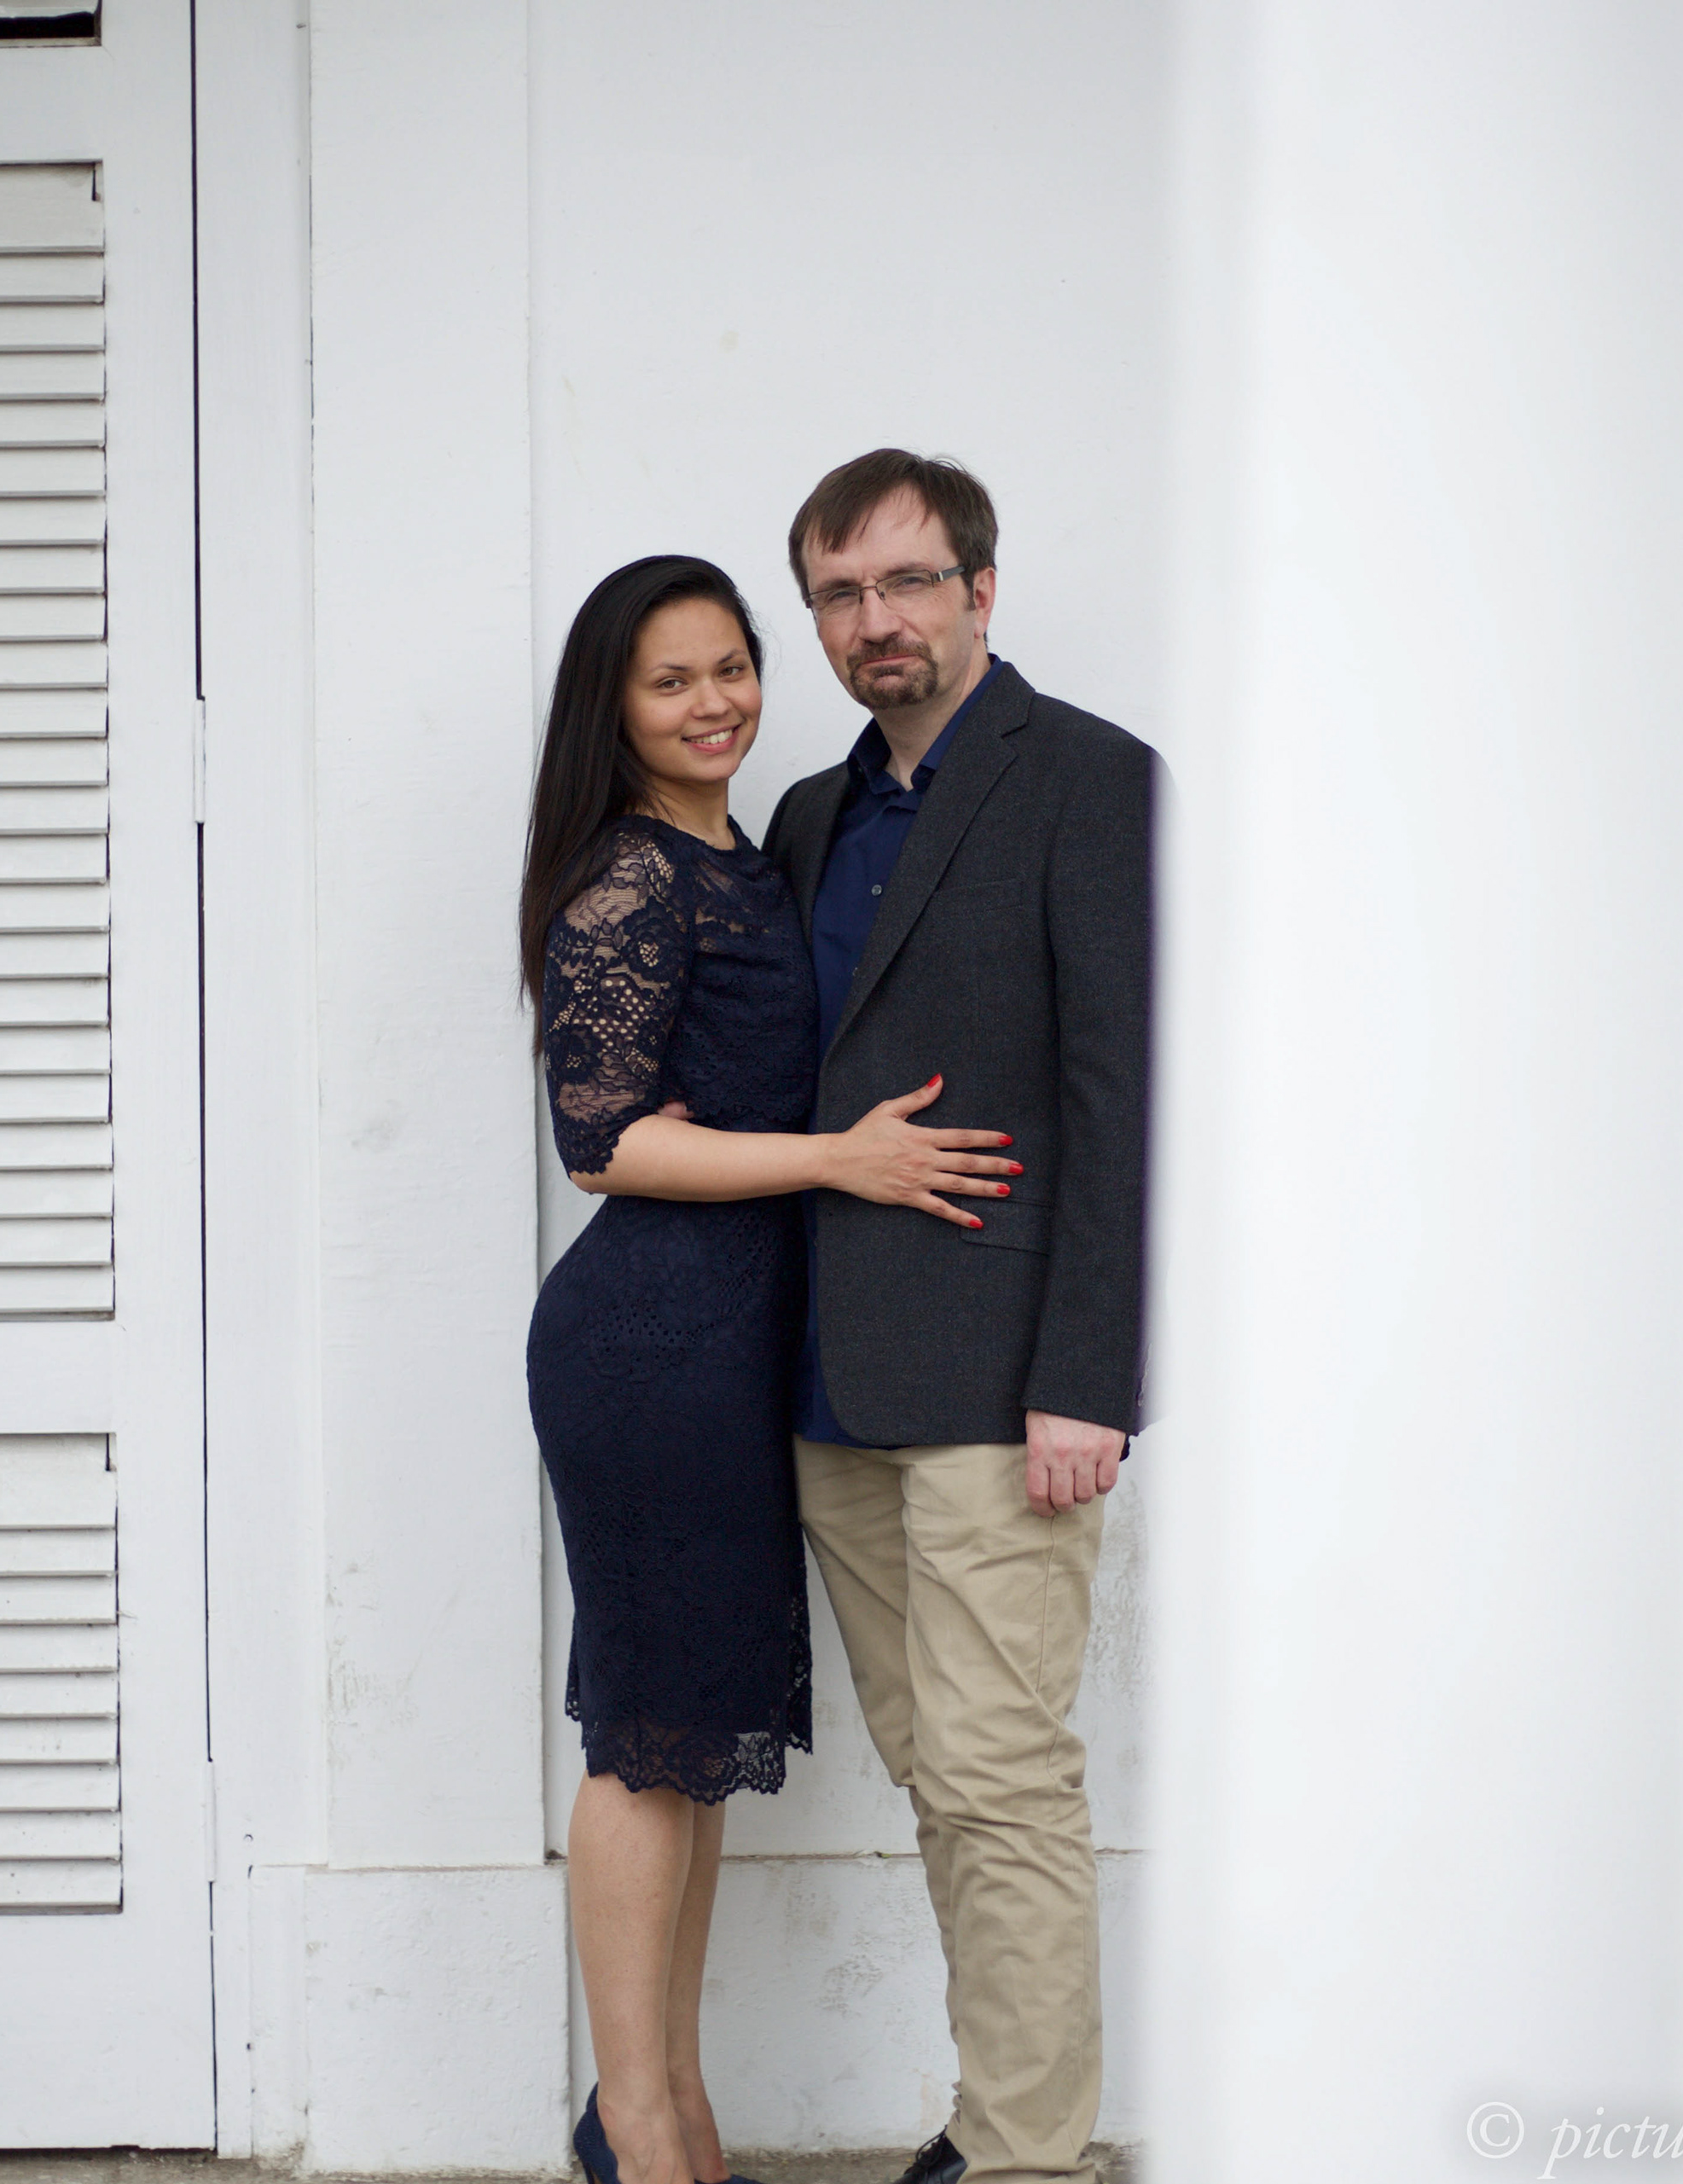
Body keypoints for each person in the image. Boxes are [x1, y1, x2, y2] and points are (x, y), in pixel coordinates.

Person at [520, 554, 1026, 2184]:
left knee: (694, 1745)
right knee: (644, 1742)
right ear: (614, 709)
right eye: (671, 681)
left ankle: (670, 2104)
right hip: (649, 1348)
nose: (714, 702)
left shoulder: (749, 856)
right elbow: (605, 1143)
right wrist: (833, 1160)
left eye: (731, 667)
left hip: (739, 1356)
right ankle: (637, 2122)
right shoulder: (628, 877)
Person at [760, 453, 1154, 2184]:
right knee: (943, 1772)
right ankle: (1001, 2119)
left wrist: (1090, 1379)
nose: (878, 620)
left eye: (910, 581)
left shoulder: (1091, 779)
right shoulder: (806, 818)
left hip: (1006, 1388)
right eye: (841, 593)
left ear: (981, 588)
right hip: (832, 1384)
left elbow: (1124, 1097)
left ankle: (1029, 2161)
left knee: (1003, 1778)